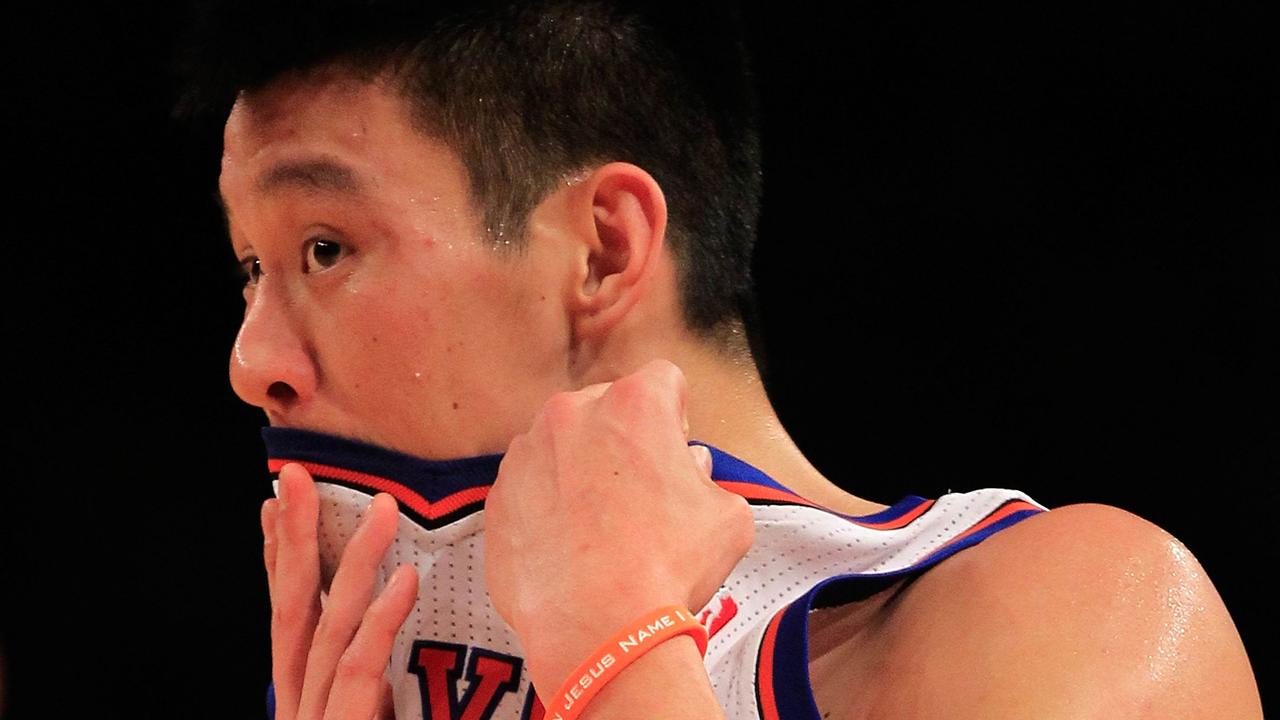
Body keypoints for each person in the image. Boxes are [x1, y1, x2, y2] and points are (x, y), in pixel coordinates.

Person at [184, 1, 1264, 717]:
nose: (253, 360)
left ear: (604, 247)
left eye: (323, 249)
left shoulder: (1068, 609)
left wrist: (620, 653)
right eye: (248, 270)